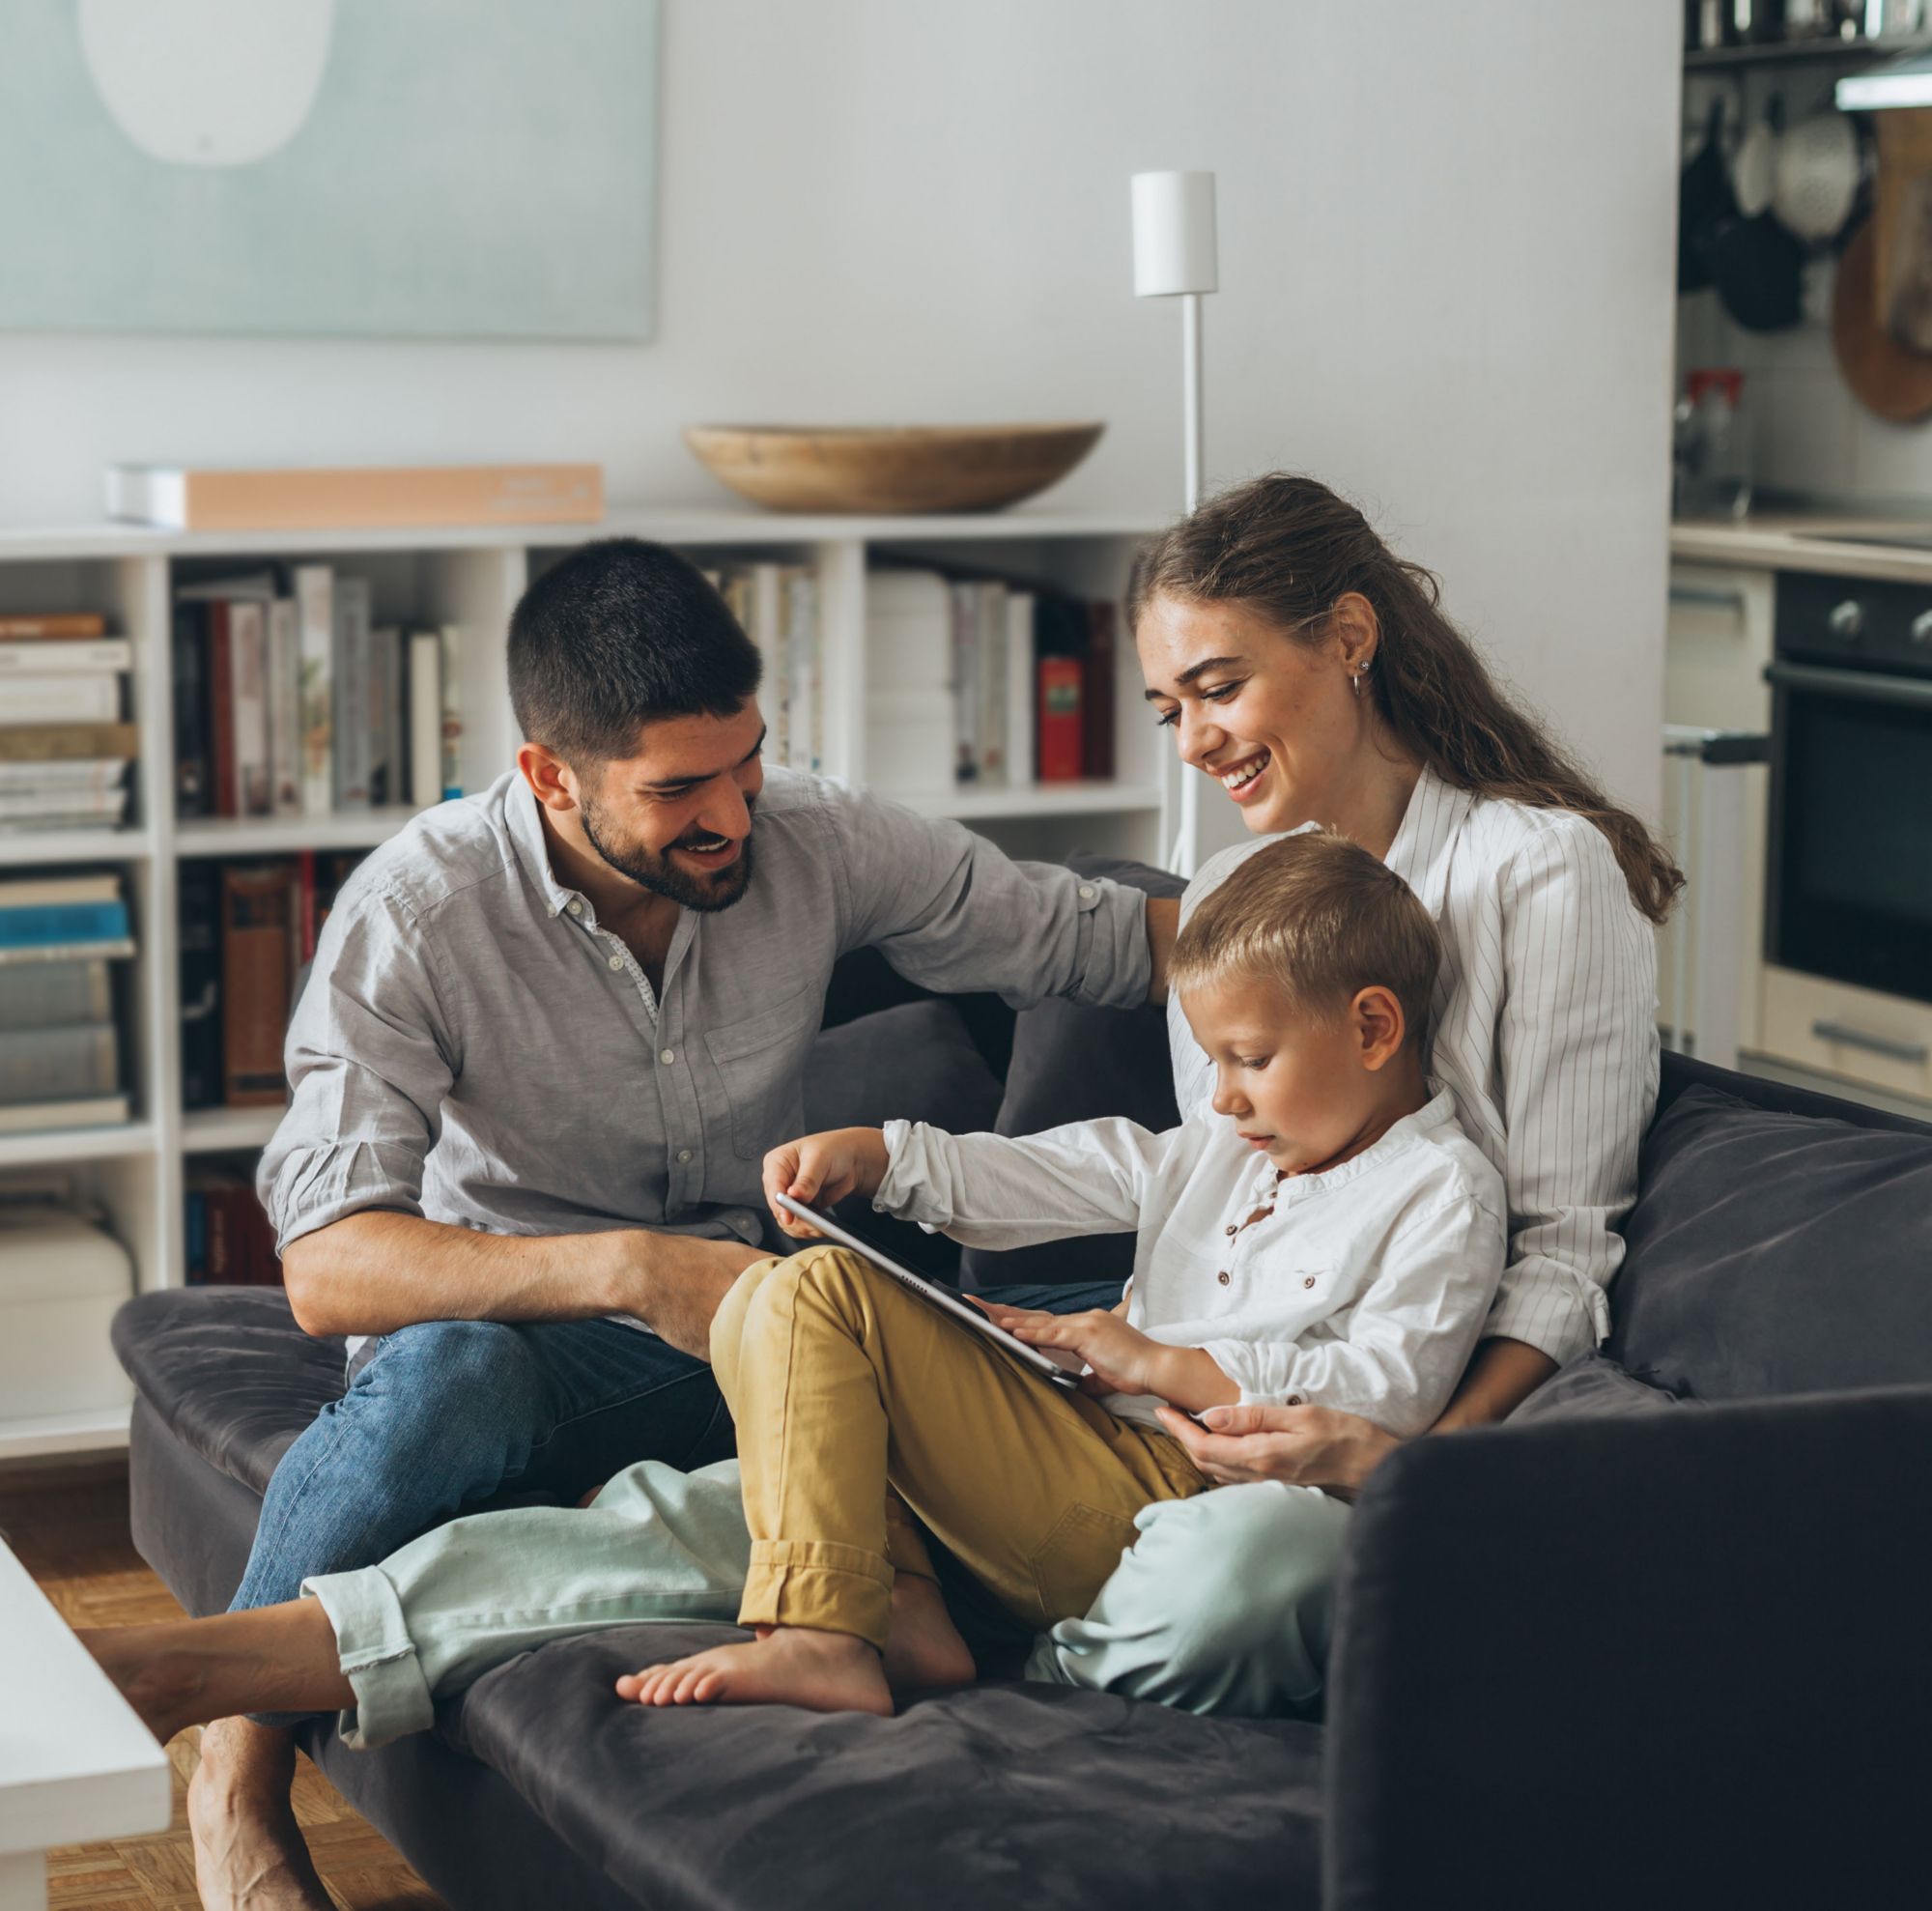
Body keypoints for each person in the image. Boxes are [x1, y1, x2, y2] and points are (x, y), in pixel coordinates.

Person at [185, 535, 1179, 1911]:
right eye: (677, 790)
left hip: (753, 1329)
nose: (734, 817)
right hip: (518, 1337)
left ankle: (834, 1584)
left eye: (748, 763)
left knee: (952, 1370)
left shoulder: (815, 837)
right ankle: (233, 1774)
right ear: (549, 774)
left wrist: (1362, 942)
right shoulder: (417, 913)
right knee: (455, 1367)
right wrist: (634, 1268)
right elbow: (326, 1270)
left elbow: (1095, 935)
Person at [83, 832, 1506, 1732]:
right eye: (1220, 1066)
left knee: (800, 1304)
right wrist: (887, 1156)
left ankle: (833, 1630)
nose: (1230, 1098)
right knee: (681, 1504)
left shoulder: (1440, 1189)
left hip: (1181, 1492)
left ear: (1375, 1025)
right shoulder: (1227, 1143)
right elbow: (1078, 1169)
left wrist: (1163, 1362)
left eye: (1249, 1061)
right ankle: (219, 1665)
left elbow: (1380, 1396)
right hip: (1056, 1462)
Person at [1022, 471, 1676, 1714]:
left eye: (1219, 687)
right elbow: (1217, 1179)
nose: (1195, 739)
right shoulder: (1225, 893)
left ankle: (1030, 1644)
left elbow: (1560, 1256)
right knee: (826, 1375)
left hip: (1362, 1431)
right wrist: (1152, 1375)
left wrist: (1400, 1465)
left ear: (1349, 639)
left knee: (1237, 1580)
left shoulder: (1538, 872)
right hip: (1197, 1396)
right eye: (1170, 708)